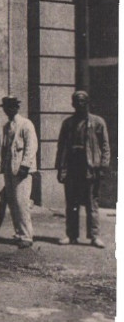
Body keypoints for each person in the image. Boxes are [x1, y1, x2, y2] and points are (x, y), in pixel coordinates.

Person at [55, 90, 110, 248]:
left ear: (88, 103)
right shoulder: (68, 123)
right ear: (73, 104)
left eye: (83, 101)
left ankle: (94, 236)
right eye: (76, 102)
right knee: (72, 203)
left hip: (90, 168)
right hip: (73, 167)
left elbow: (105, 146)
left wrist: (103, 166)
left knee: (92, 203)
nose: (79, 105)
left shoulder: (98, 122)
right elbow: (61, 147)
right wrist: (60, 168)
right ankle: (71, 235)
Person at [0, 96, 38, 249]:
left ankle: (27, 236)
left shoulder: (26, 124)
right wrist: (3, 167)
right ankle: (19, 233)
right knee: (13, 202)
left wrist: (25, 165)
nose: (8, 110)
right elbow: (5, 148)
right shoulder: (6, 126)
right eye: (6, 107)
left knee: (22, 202)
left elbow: (31, 146)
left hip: (22, 170)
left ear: (17, 108)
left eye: (11, 107)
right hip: (9, 168)